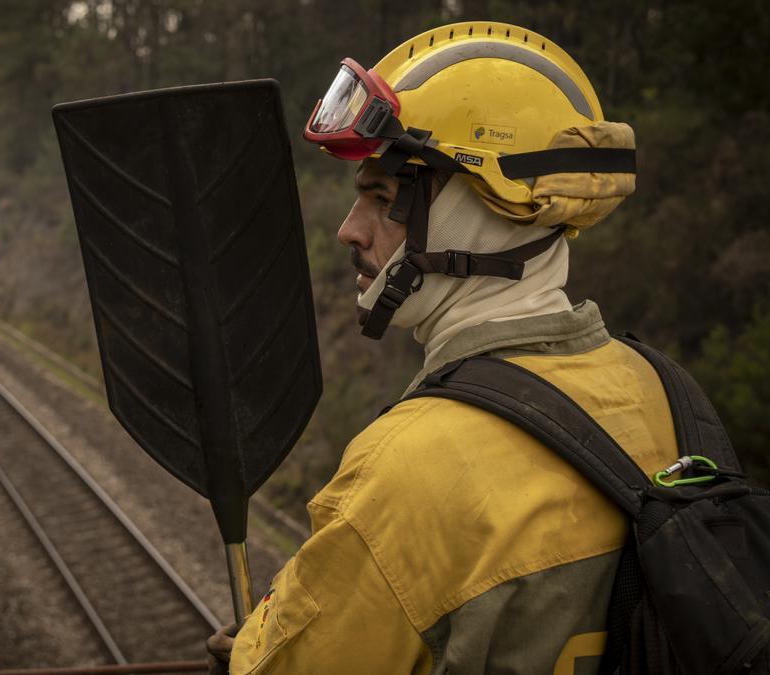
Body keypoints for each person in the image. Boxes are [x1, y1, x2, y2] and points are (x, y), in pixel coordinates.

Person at [207, 21, 672, 674]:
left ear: (482, 207)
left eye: (382, 198)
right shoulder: (665, 395)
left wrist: (250, 647)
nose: (349, 231)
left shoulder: (404, 472)